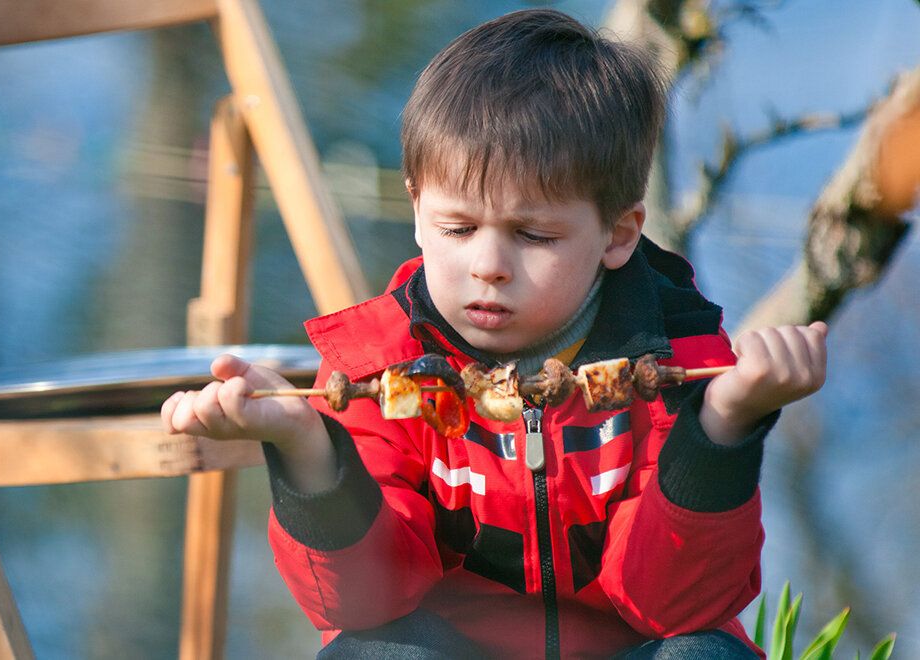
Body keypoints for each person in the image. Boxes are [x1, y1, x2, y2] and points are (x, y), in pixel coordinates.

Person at [161, 8, 827, 659]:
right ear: (417, 209)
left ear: (618, 234)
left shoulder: (676, 364)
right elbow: (365, 602)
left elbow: (672, 606)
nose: (487, 266)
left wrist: (721, 431)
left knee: (701, 653)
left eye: (533, 236)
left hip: (628, 647)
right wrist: (306, 450)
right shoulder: (379, 368)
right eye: (457, 228)